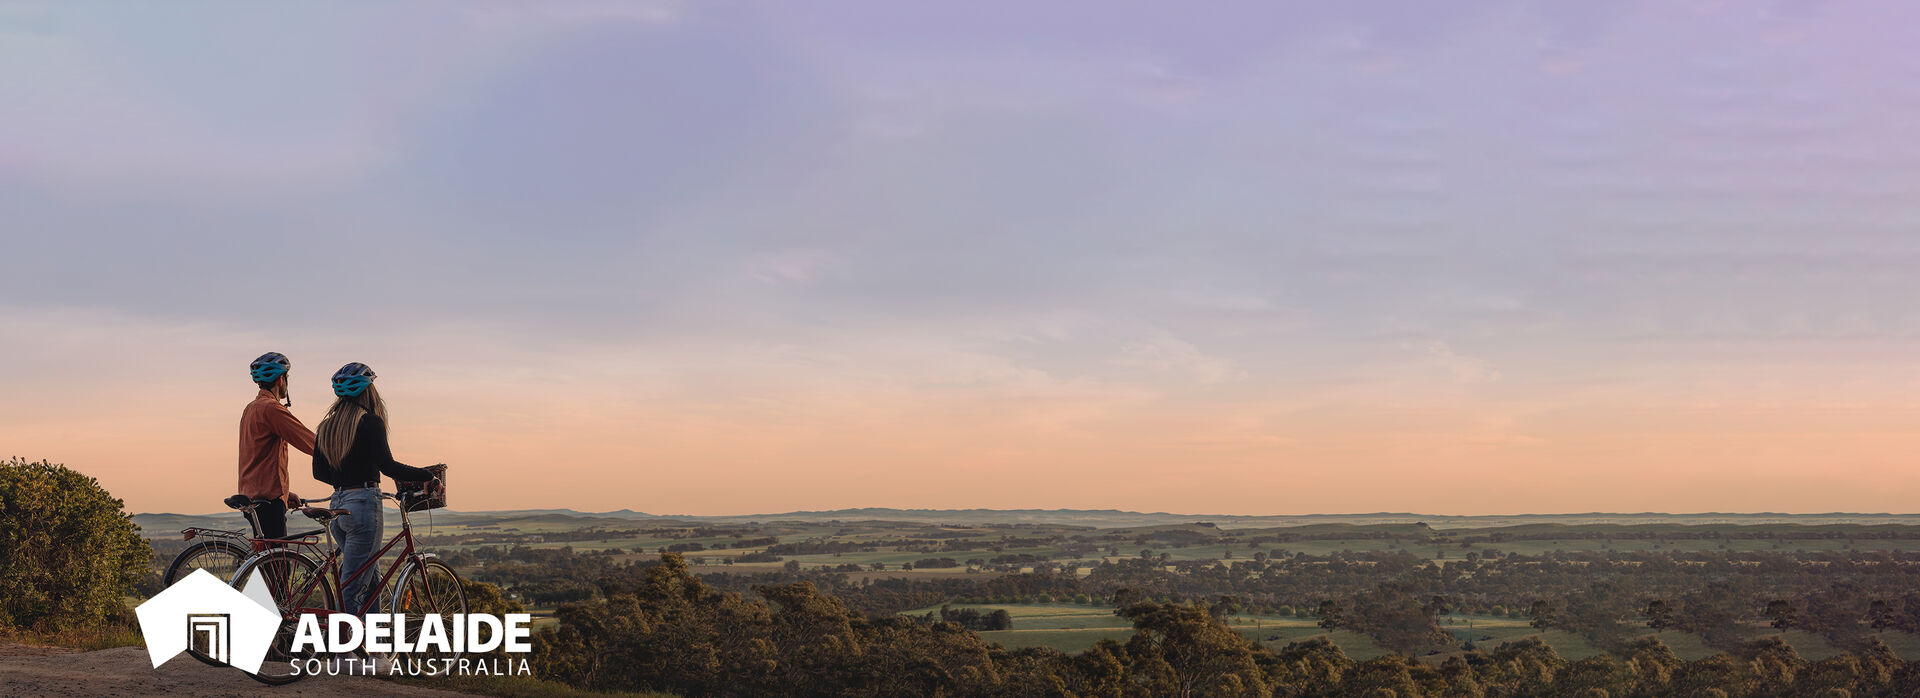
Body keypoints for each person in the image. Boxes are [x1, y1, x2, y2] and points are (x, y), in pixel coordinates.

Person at [311, 362, 434, 613]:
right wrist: (427, 476)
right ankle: (340, 649)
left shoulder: (326, 427)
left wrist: (345, 483)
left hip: (337, 507)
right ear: (369, 391)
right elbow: (387, 466)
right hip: (363, 509)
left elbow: (319, 472)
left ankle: (375, 650)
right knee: (353, 586)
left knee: (372, 581)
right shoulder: (371, 422)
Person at [238, 352, 315, 540]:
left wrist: (285, 493)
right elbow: (311, 442)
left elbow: (258, 457)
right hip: (268, 503)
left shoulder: (251, 409)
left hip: (253, 496)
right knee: (278, 565)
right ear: (281, 379)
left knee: (266, 563)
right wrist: (343, 453)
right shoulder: (271, 409)